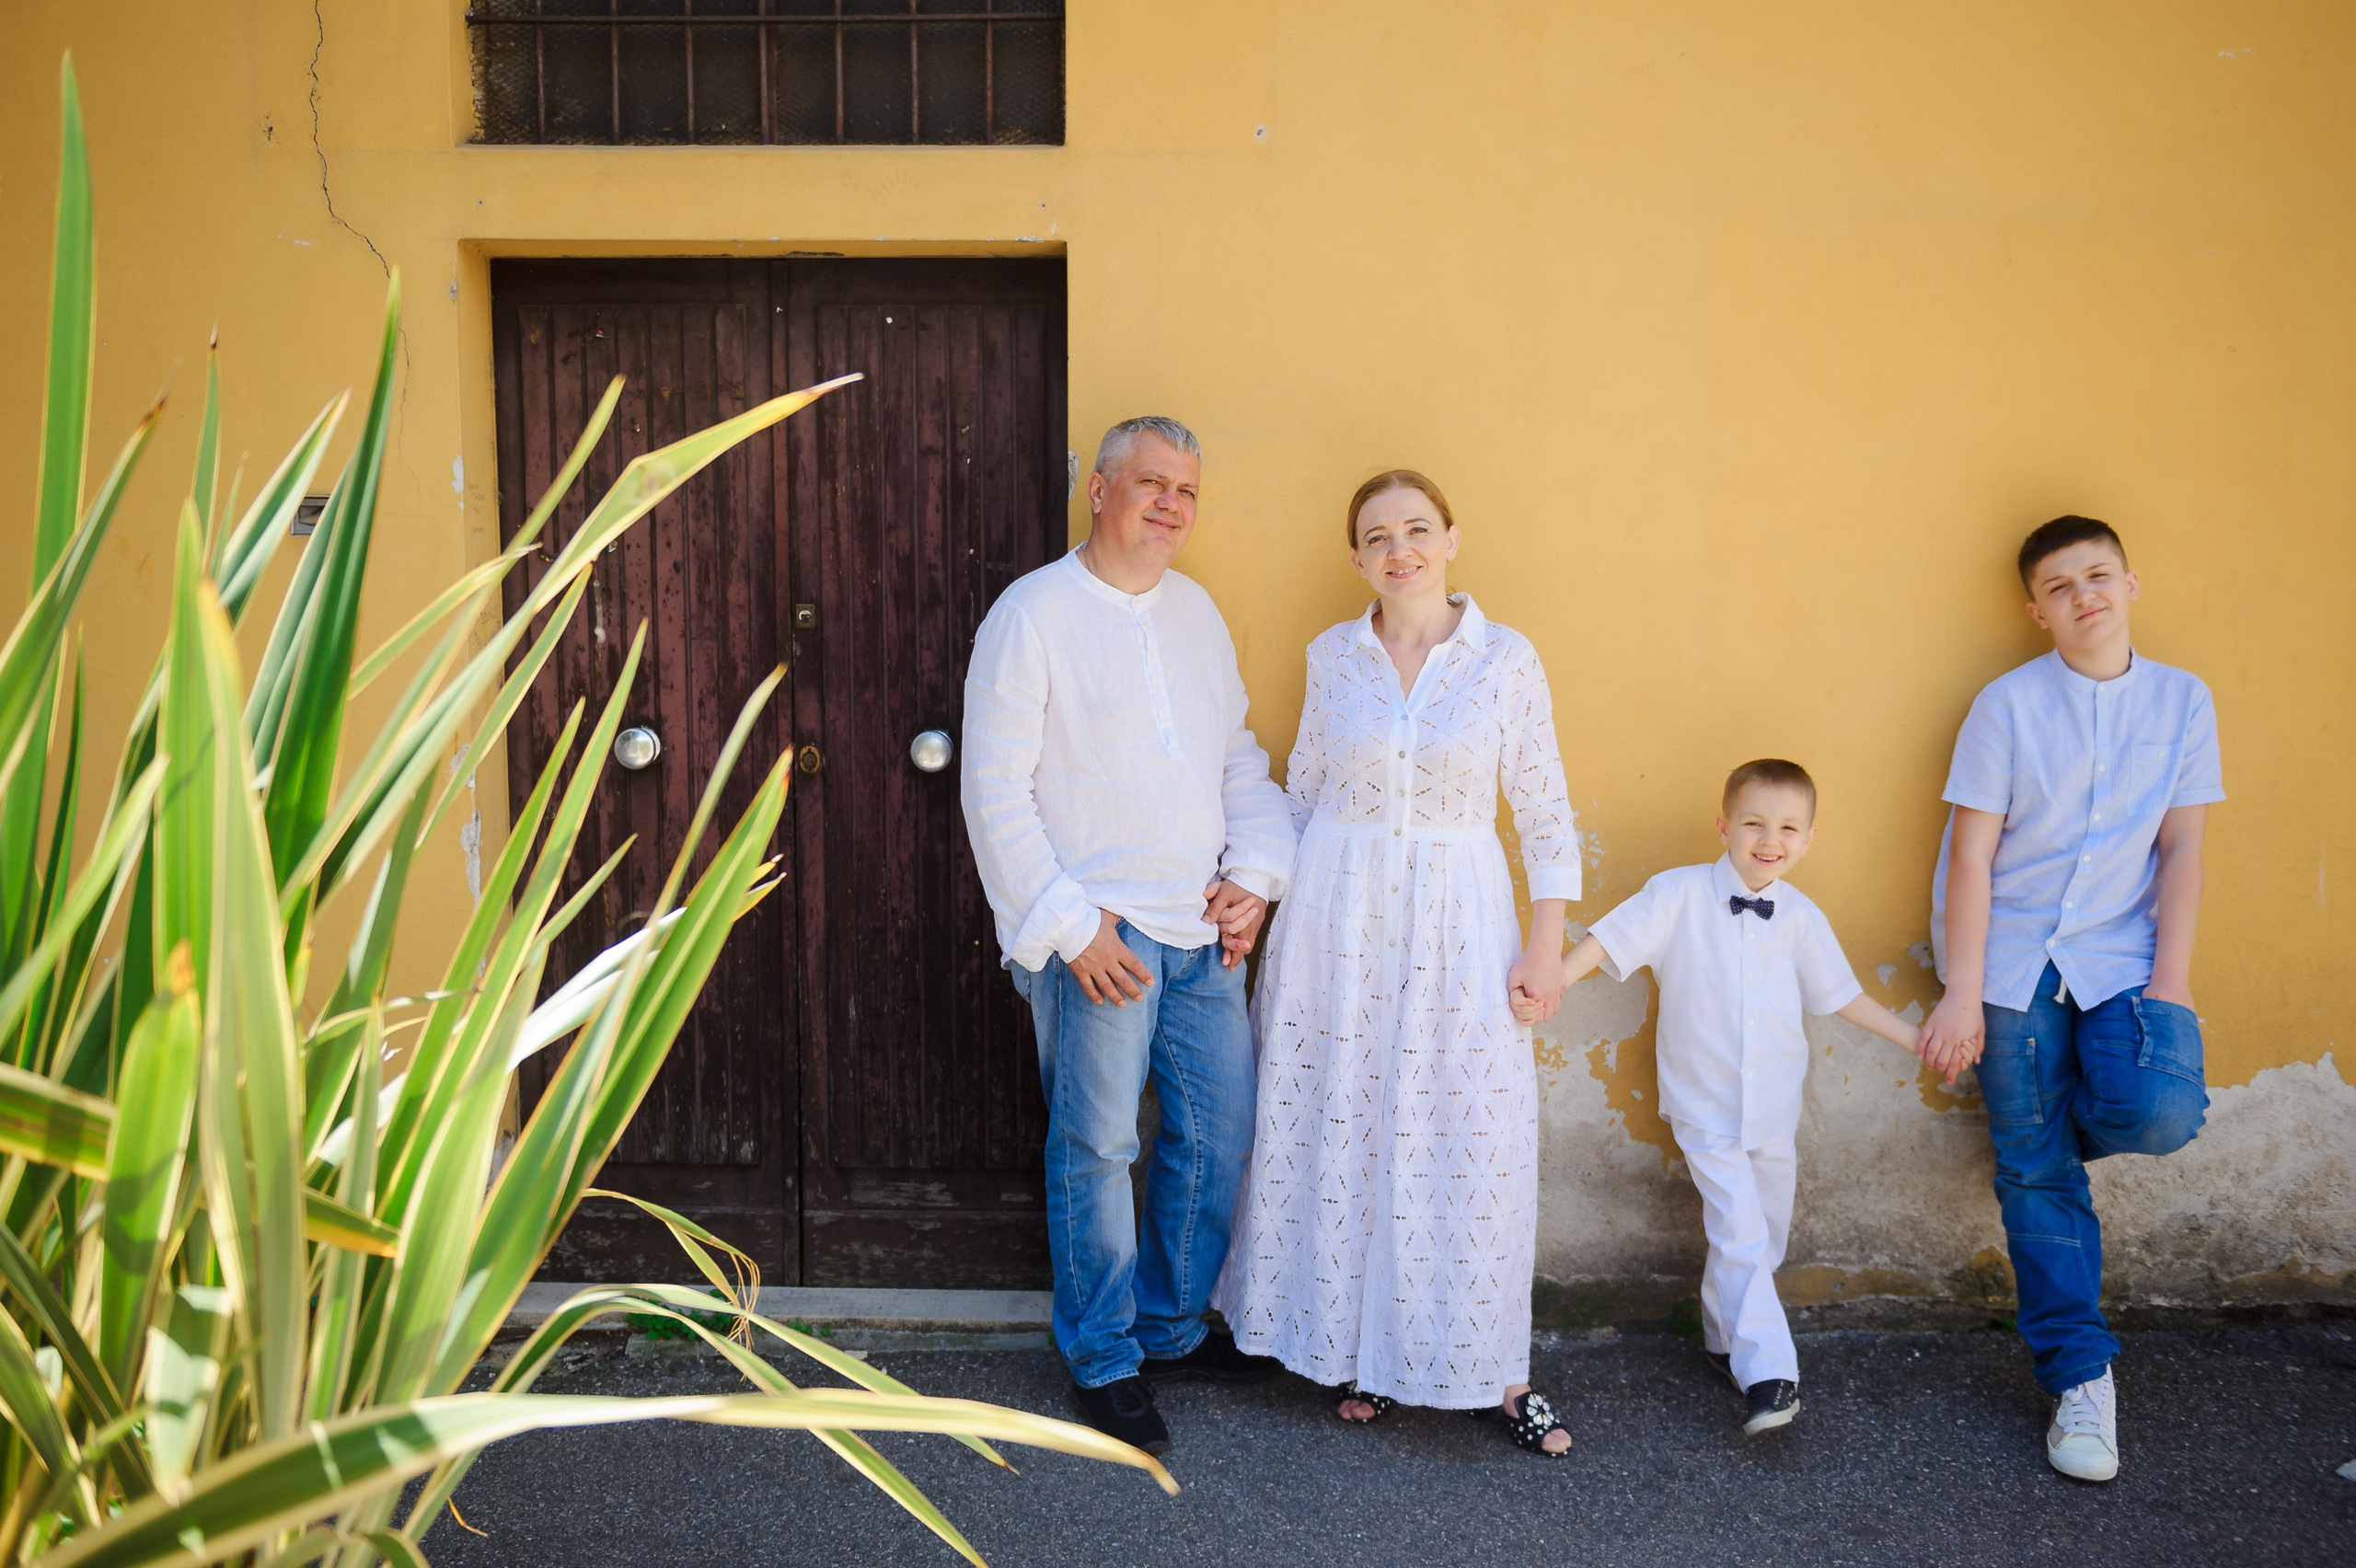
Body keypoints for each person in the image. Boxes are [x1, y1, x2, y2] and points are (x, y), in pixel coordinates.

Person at [1212, 470, 1582, 1457]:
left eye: (1417, 529)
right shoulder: (1332, 656)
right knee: (1343, 1118)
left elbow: (1544, 813)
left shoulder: (1505, 659)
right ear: (1355, 558)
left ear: (1452, 538)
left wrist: (1545, 948)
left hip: (1460, 922)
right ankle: (1351, 1352)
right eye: (1377, 536)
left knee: (1466, 1130)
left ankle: (1496, 1371)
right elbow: (1301, 794)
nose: (1399, 549)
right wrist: (1254, 893)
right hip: (1336, 920)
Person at [960, 416, 1298, 1457]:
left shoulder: (1195, 613)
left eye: (1187, 491)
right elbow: (993, 791)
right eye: (1151, 483)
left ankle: (1168, 1324)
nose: (1170, 505)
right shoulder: (1031, 615)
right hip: (1096, 942)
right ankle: (1103, 1354)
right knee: (1099, 1148)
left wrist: (1253, 875)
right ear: (1099, 492)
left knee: (1216, 1136)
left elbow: (1235, 757)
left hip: (1198, 931)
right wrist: (1070, 925)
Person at [1918, 515, 2222, 1484]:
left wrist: (2167, 982)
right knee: (2037, 1180)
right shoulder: (2005, 707)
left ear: (2131, 584)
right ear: (2035, 612)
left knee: (2158, 1108)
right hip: (2008, 959)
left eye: (2098, 575)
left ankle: (2037, 1137)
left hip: (2122, 955)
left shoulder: (2182, 701)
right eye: (2059, 585)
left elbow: (2181, 849)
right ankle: (2079, 1379)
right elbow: (1971, 856)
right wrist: (1962, 995)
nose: (2082, 594)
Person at [1560, 759, 1924, 1435]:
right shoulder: (1678, 894)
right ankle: (1770, 1376)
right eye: (1754, 823)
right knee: (1739, 1227)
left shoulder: (1801, 917)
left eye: (1787, 828)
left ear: (1808, 839)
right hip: (1705, 1105)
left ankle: (1724, 1338)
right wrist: (1550, 982)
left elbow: (1841, 996)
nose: (1769, 839)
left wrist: (1916, 1037)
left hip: (1774, 1110)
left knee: (1763, 1236)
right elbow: (1609, 937)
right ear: (1725, 826)